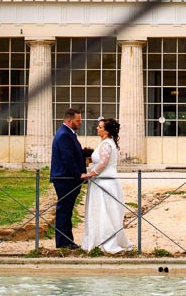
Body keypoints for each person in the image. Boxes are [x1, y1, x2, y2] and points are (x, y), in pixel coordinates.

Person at [80, 117, 133, 253]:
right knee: (104, 211)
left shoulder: (106, 144)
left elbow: (103, 162)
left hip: (104, 182)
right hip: (106, 180)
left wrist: (90, 174)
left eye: (100, 127)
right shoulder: (107, 143)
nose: (97, 128)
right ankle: (100, 240)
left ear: (107, 131)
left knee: (104, 211)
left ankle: (104, 241)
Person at [50, 108, 91, 249]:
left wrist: (83, 152)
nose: (80, 123)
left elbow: (72, 153)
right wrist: (78, 174)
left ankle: (67, 240)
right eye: (78, 120)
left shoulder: (68, 134)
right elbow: (67, 157)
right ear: (69, 120)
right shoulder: (64, 135)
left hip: (67, 178)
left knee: (67, 210)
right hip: (65, 178)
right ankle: (62, 242)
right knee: (64, 210)